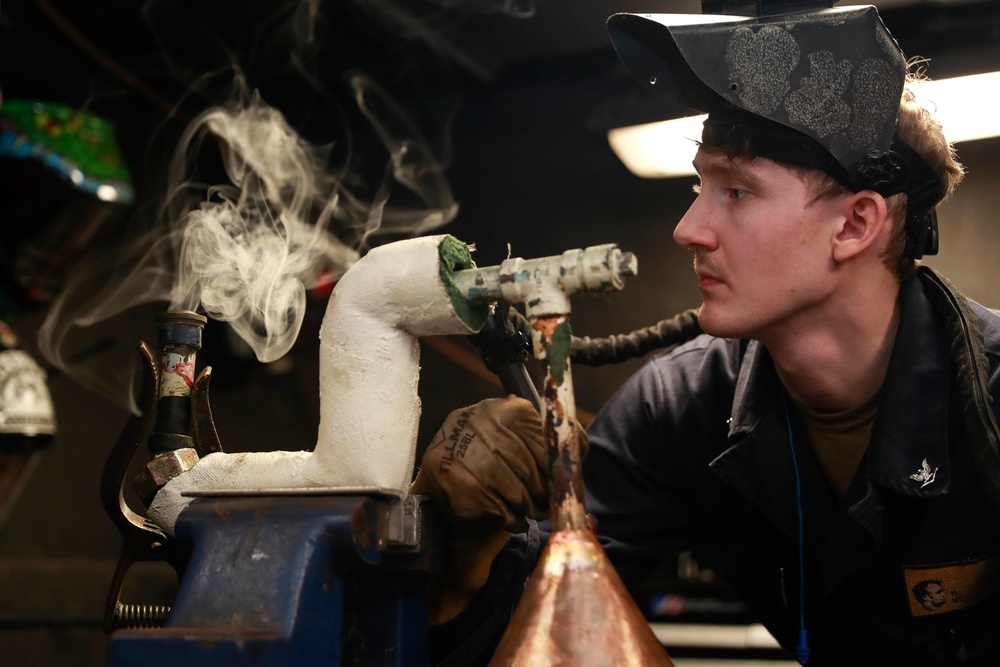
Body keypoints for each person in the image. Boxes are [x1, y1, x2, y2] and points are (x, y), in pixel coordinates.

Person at [411, 4, 1000, 666]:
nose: (688, 228)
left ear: (857, 224)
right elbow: (540, 615)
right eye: (701, 184)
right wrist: (464, 557)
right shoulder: (680, 406)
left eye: (738, 191)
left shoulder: (992, 398)